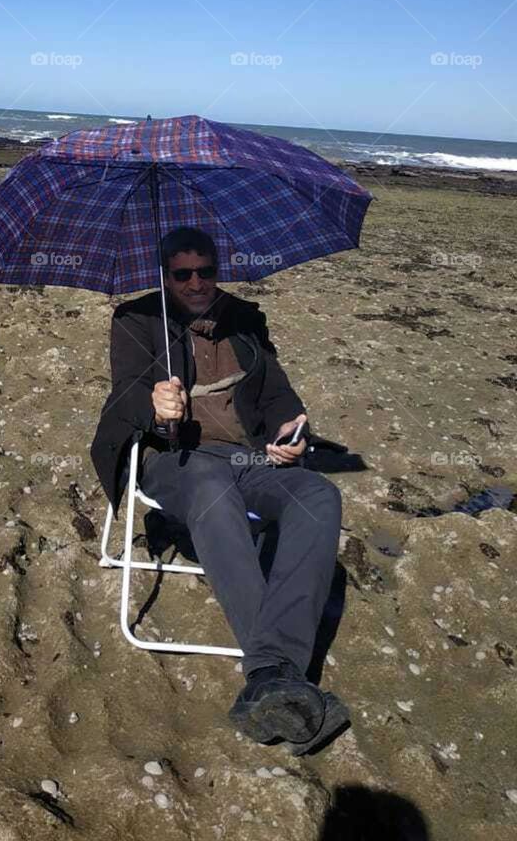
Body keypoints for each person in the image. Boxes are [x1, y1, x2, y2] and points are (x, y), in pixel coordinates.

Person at [90, 225, 350, 751]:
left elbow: (276, 391)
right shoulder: (138, 319)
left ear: (218, 270)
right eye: (182, 273)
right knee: (209, 482)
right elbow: (122, 400)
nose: (196, 283)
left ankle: (273, 677)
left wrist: (287, 427)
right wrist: (152, 406)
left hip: (249, 456)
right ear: (165, 275)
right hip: (173, 458)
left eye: (205, 271)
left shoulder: (245, 318)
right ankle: (276, 671)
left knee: (319, 495)